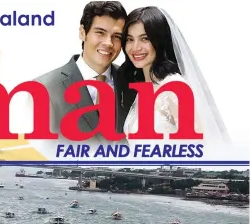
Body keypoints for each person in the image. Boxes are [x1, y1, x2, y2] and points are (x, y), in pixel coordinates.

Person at [118, 7, 229, 144]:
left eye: (145, 38)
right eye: (130, 39)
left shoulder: (174, 88)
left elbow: (197, 149)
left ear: (160, 41)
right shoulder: (143, 89)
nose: (136, 47)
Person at [29, 1, 129, 143]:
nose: (109, 43)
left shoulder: (133, 82)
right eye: (100, 33)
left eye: (117, 36)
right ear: (82, 33)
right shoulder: (45, 88)